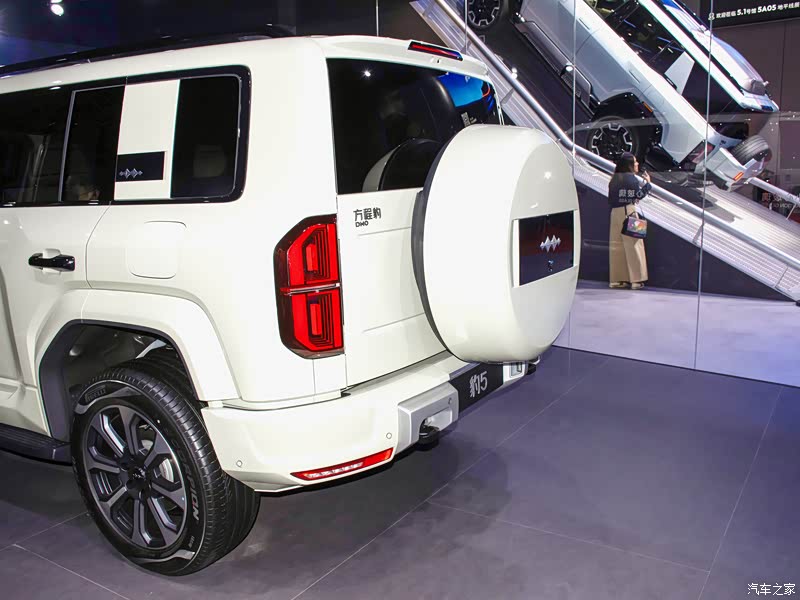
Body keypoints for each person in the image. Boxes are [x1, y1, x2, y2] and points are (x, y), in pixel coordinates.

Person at [608, 152, 650, 290]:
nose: (637, 164)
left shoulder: (614, 179)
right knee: (635, 245)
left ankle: (618, 279)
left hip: (615, 213)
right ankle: (637, 280)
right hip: (629, 212)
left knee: (617, 246)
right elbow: (639, 195)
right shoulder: (631, 178)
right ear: (629, 165)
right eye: (635, 162)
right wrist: (648, 185)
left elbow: (611, 199)